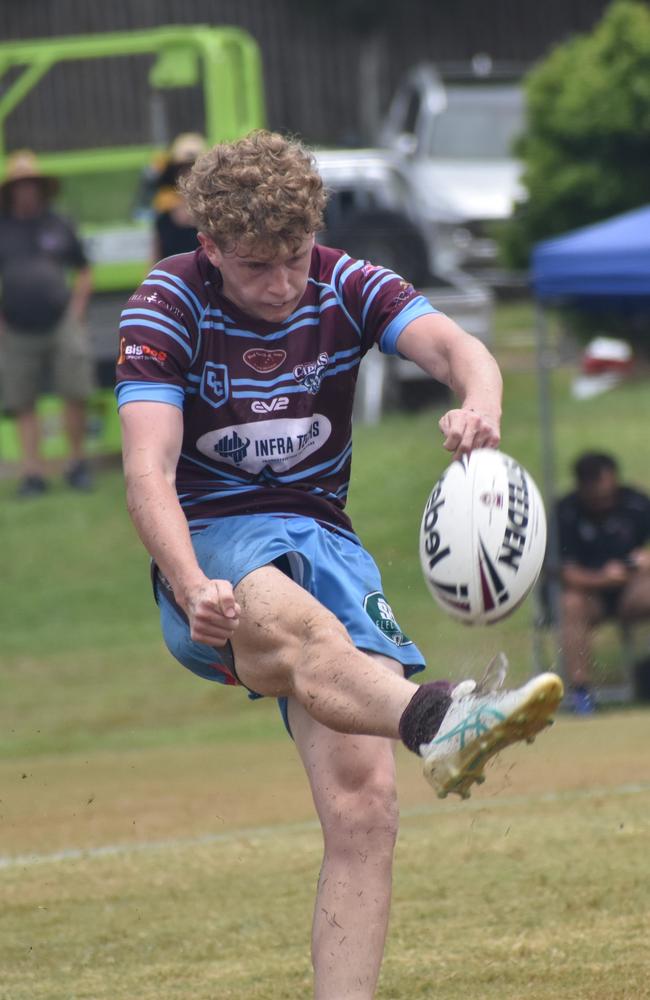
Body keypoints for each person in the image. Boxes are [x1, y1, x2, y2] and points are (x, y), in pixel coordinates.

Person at [116, 130, 562, 999]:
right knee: (309, 630)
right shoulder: (166, 302)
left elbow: (458, 349)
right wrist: (187, 582)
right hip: (211, 539)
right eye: (255, 266)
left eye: (293, 259)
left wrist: (482, 405)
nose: (282, 284)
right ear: (208, 247)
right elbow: (146, 470)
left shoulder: (343, 279)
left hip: (326, 540)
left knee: (366, 810)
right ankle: (445, 724)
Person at [0, 149, 94, 497]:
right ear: (11, 190)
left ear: (40, 188)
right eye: (20, 185)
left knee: (76, 391)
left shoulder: (59, 222)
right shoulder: (3, 226)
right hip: (16, 327)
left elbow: (83, 269)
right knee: (23, 401)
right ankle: (33, 472)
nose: (26, 191)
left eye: (31, 184)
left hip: (61, 321)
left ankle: (77, 463)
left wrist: (77, 309)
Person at [556, 451, 650, 714]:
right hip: (589, 595)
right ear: (582, 488)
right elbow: (566, 573)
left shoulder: (636, 503)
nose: (604, 502)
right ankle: (581, 693)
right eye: (596, 499)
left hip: (631, 593)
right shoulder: (566, 513)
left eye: (608, 496)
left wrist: (644, 560)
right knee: (570, 603)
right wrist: (603, 577)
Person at [151, 132, 206, 261]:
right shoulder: (164, 218)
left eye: (194, 168)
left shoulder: (214, 216)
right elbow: (154, 263)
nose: (188, 174)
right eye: (183, 168)